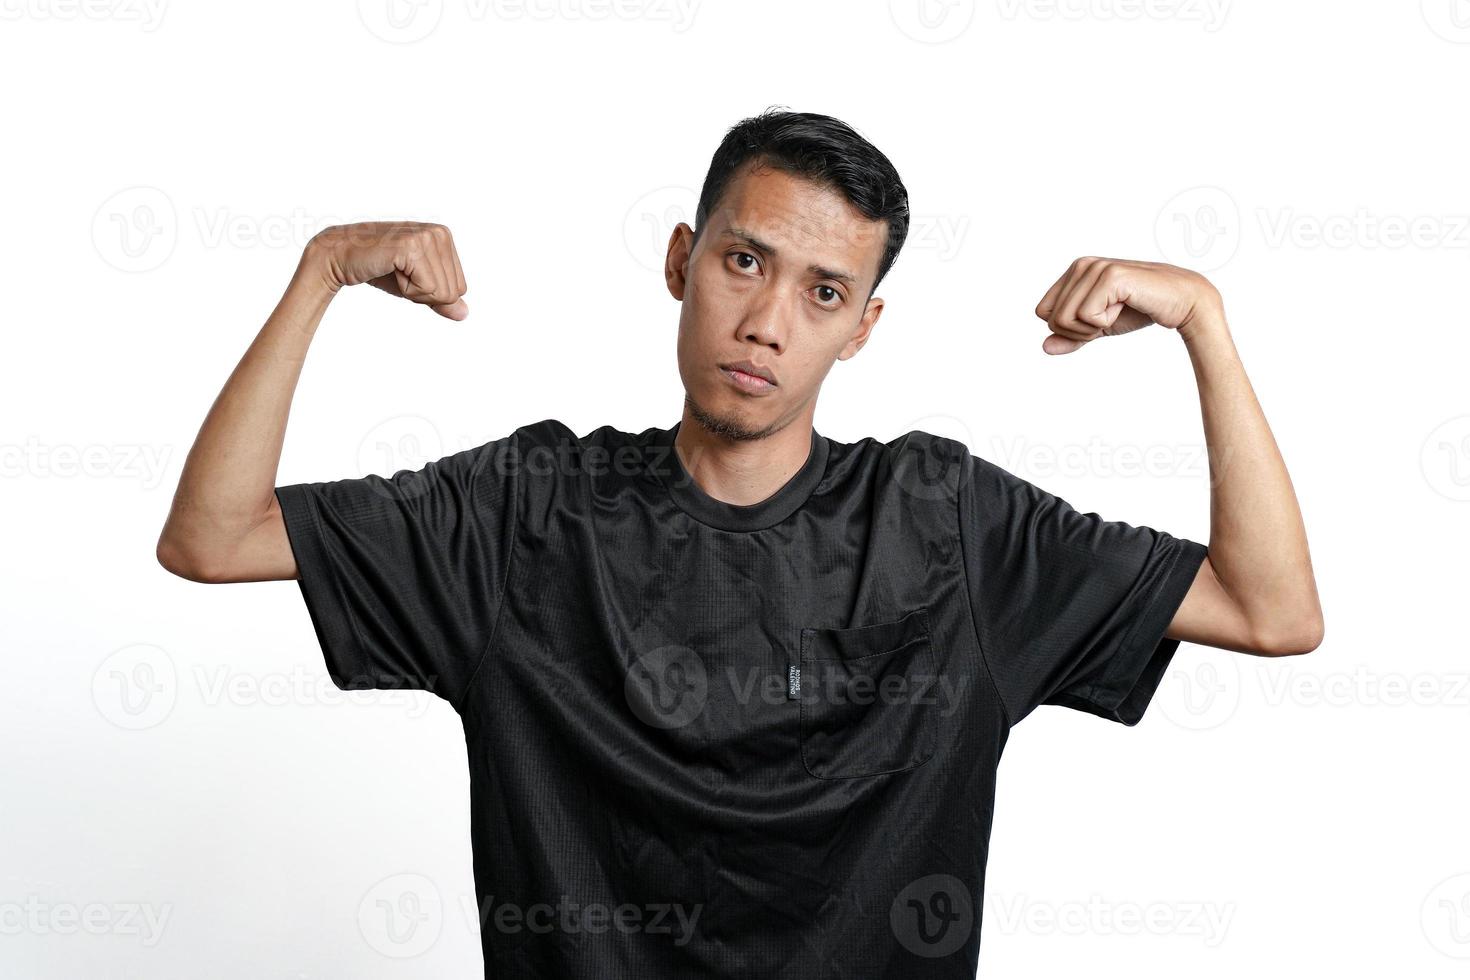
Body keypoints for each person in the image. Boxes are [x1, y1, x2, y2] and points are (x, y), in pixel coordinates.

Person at [155, 109, 1323, 978]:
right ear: (682, 260)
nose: (766, 321)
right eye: (745, 260)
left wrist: (1203, 324)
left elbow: (1273, 611)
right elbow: (211, 535)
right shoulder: (529, 512)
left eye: (824, 293)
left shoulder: (949, 522)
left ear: (863, 330)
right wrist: (319, 274)